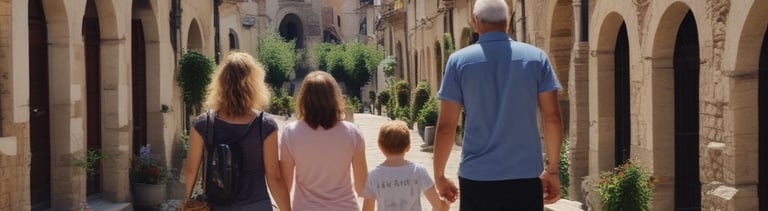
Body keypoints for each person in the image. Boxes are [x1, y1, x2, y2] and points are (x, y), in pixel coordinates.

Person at [432, 0, 564, 210]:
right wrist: (553, 170)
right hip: (525, 177)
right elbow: (552, 118)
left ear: (475, 20)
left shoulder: (458, 62)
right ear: (508, 19)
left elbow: (447, 126)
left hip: (477, 179)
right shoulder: (537, 58)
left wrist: (439, 175)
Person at [182, 52, 291, 211]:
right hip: (256, 205)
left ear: (220, 83)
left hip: (216, 205)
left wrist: (186, 201)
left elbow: (191, 170)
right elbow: (274, 177)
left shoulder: (203, 124)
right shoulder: (265, 125)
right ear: (254, 85)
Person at [279, 71, 369, 211]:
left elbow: (285, 184)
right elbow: (362, 186)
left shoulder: (290, 133)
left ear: (303, 99)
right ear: (335, 97)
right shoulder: (353, 133)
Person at [362, 120, 449, 211]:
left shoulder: (374, 175)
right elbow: (438, 206)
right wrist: (447, 202)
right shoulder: (419, 171)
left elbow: (367, 209)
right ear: (408, 147)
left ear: (380, 147)